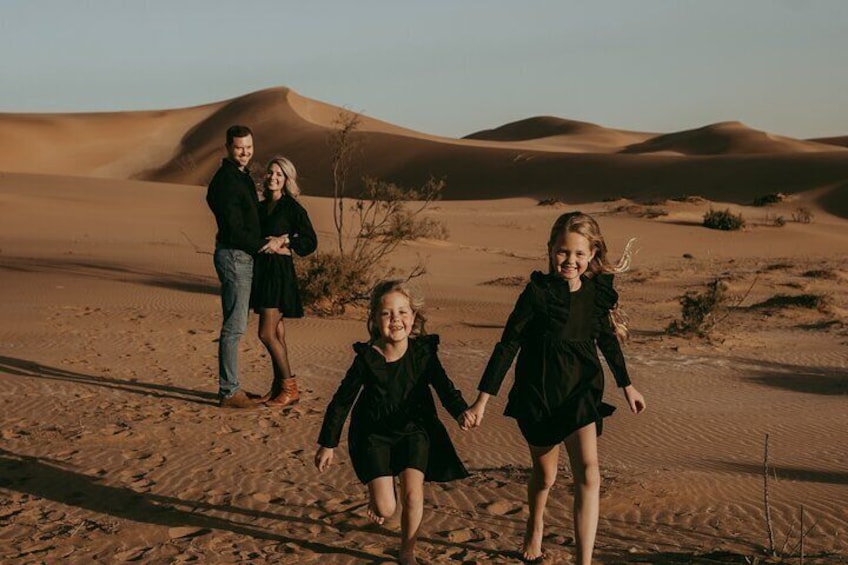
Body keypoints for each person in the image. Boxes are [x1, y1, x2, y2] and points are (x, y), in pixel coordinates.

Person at [463, 211, 646, 564]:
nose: (570, 260)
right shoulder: (536, 294)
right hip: (539, 392)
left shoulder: (597, 294)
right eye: (563, 252)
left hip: (582, 390)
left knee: (589, 473)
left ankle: (584, 560)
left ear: (592, 254)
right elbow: (508, 345)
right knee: (545, 476)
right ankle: (535, 522)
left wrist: (628, 385)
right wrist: (481, 400)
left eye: (579, 254)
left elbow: (607, 340)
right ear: (550, 250)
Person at [315, 280, 470, 565]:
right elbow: (342, 400)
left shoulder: (423, 353)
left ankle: (407, 551)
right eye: (387, 314)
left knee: (413, 495)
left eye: (402, 312)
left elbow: (444, 387)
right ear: (374, 319)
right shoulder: (367, 358)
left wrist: (460, 411)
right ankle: (379, 497)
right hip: (374, 434)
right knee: (387, 508)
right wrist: (328, 443)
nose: (395, 319)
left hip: (415, 429)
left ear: (414, 317)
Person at [206, 125, 288, 409]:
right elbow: (233, 228)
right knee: (234, 327)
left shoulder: (239, 176)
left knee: (236, 324)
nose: (245, 152)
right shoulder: (227, 181)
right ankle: (229, 392)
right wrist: (262, 244)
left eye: (249, 147)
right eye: (240, 147)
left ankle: (232, 389)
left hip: (241, 256)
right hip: (235, 256)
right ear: (228, 147)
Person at [251, 156, 317, 408]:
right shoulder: (260, 206)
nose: (273, 177)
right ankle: (278, 387)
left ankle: (290, 388)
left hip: (279, 275)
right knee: (277, 332)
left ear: (287, 179)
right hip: (263, 272)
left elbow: (310, 241)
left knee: (266, 333)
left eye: (279, 174)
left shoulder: (293, 208)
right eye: (270, 173)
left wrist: (286, 242)